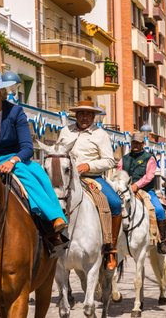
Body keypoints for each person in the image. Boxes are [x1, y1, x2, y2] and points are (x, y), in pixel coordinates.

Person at [0, 71, 67, 236]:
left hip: (15, 161)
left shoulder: (15, 112)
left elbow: (27, 148)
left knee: (32, 177)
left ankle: (54, 218)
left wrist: (12, 161)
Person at [57, 99, 121, 270]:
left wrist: (88, 166)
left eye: (88, 114)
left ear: (93, 116)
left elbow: (109, 161)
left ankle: (110, 249)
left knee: (115, 204)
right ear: (76, 115)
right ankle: (47, 241)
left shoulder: (101, 134)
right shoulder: (65, 131)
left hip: (92, 178)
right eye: (81, 113)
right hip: (66, 178)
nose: (84, 117)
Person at [117, 133, 166, 254]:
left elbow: (149, 176)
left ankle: (162, 241)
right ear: (131, 143)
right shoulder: (124, 159)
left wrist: (136, 185)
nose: (135, 145)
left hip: (146, 190)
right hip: (126, 190)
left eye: (138, 143)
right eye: (134, 142)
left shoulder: (149, 158)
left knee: (159, 210)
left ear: (143, 144)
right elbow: (119, 173)